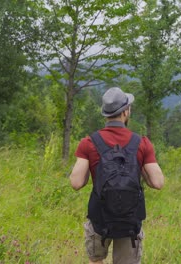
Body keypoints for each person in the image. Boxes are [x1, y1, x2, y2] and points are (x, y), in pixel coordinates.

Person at [70, 87, 165, 264]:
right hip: (130, 221)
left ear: (105, 114)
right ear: (126, 112)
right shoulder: (142, 143)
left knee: (96, 260)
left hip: (99, 218)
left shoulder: (88, 143)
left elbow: (76, 183)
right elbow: (158, 182)